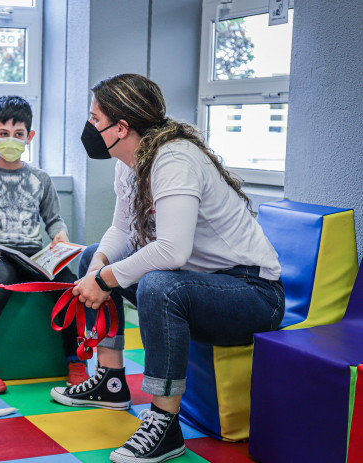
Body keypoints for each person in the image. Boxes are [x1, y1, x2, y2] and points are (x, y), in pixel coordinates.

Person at [50, 74, 285, 463]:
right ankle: (110, 381)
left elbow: (173, 251)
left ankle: (165, 423)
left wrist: (106, 279)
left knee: (159, 285)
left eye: (95, 119)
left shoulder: (174, 159)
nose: (90, 127)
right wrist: (97, 267)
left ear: (120, 127)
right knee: (93, 253)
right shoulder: (129, 161)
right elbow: (122, 230)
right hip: (202, 285)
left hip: (252, 292)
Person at [0, 95, 90, 394]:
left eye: (18, 135)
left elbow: (54, 219)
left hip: (34, 253)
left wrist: (60, 235)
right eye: (3, 134)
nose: (11, 140)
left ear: (30, 137)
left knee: (69, 285)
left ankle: (76, 360)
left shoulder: (40, 178)